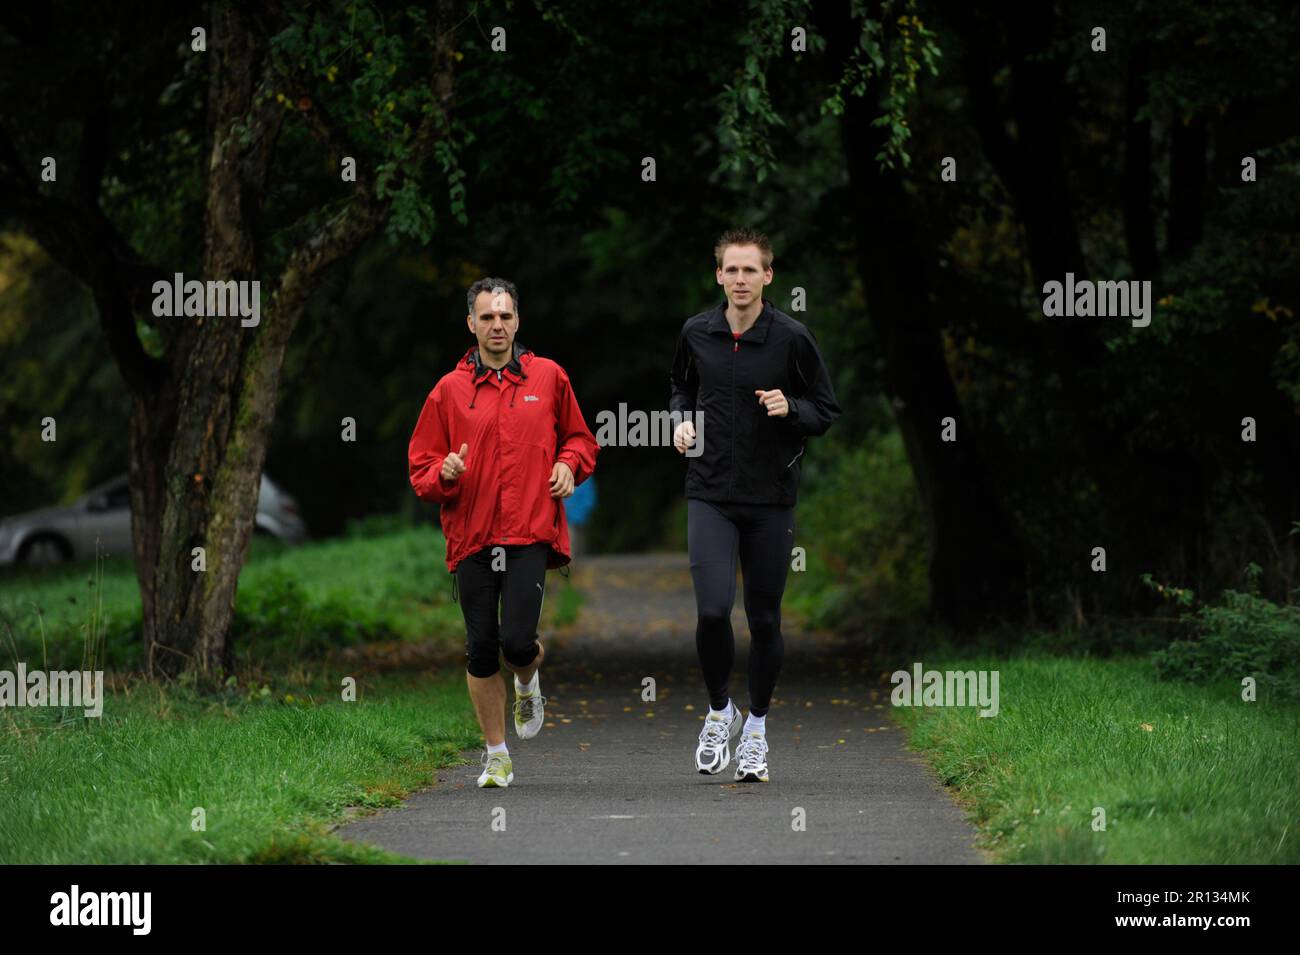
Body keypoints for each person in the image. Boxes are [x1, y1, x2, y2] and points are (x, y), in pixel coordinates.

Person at [408, 278, 599, 788]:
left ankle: (528, 678)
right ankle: (496, 755)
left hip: (529, 530)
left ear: (518, 320)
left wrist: (568, 465)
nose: (497, 325)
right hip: (471, 535)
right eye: (487, 317)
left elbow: (581, 438)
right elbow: (421, 468)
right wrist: (444, 473)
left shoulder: (549, 376)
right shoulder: (448, 390)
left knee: (516, 642)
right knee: (479, 647)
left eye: (506, 316)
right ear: (471, 324)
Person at [669, 229, 841, 782]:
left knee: (764, 619)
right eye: (731, 270)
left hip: (770, 498)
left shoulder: (791, 338)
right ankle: (721, 711)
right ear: (718, 275)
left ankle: (758, 732)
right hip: (711, 492)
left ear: (769, 276)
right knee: (714, 611)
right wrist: (682, 419)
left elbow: (824, 410)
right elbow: (680, 385)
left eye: (751, 271)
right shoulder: (698, 332)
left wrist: (790, 406)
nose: (740, 280)